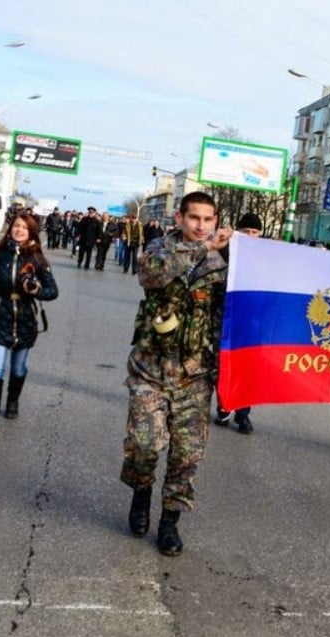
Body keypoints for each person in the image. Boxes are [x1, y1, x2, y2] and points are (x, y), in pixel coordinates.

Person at [121, 191, 232, 557]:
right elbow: (151, 276)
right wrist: (204, 250)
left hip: (195, 375)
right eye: (194, 218)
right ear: (180, 219)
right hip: (150, 369)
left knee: (187, 455)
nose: (201, 226)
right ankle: (141, 492)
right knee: (144, 445)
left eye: (208, 219)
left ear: (216, 220)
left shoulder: (228, 263)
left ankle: (169, 522)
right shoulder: (159, 249)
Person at [0, 215, 59, 436]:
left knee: (18, 368)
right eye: (16, 226)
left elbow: (53, 291)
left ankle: (12, 401)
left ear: (31, 232)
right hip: (0, 316)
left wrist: (36, 290)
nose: (19, 230)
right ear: (11, 229)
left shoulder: (37, 259)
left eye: (24, 228)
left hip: (26, 320)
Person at [214, 212, 263, 434]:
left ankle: (244, 415)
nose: (250, 236)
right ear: (238, 232)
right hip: (226, 318)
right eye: (246, 232)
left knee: (248, 369)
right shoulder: (226, 251)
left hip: (252, 323)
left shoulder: (266, 257)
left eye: (254, 232)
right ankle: (224, 407)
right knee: (224, 366)